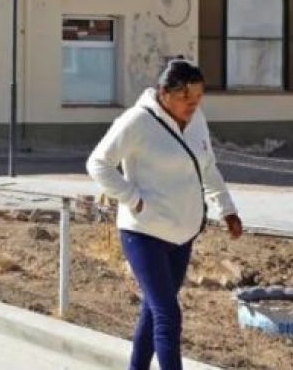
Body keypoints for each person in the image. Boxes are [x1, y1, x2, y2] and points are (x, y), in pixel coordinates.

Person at [86, 57, 242, 370]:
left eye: (198, 98)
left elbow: (207, 166)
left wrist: (227, 210)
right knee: (168, 315)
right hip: (143, 233)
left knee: (154, 310)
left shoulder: (196, 120)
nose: (193, 105)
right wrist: (133, 198)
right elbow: (97, 163)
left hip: (182, 233)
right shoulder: (137, 121)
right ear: (164, 93)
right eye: (186, 98)